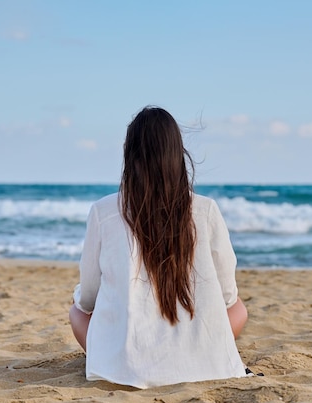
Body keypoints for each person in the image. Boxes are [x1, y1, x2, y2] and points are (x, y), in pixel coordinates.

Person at [69, 106, 249, 388]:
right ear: (178, 156)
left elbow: (87, 300)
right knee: (240, 309)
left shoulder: (103, 212)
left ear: (130, 157)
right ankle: (192, 359)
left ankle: (119, 362)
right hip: (197, 356)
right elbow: (227, 297)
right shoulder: (206, 210)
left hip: (129, 362)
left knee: (76, 313)